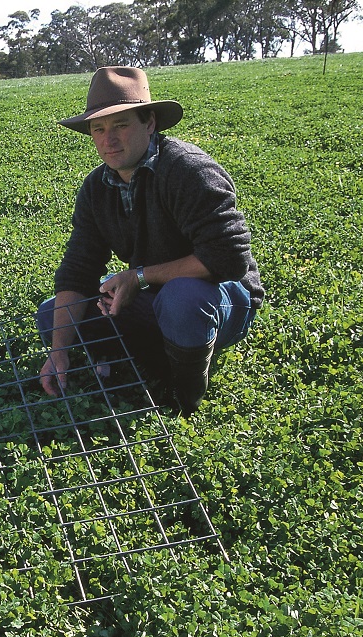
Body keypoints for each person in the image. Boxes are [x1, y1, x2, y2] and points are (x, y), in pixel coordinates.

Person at [37, 65, 264, 416]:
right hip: (153, 295)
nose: (108, 139)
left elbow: (228, 258)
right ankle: (157, 351)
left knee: (182, 298)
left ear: (150, 123)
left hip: (222, 297)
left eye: (121, 125)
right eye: (98, 128)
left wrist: (139, 276)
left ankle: (184, 390)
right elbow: (78, 271)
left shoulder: (188, 171)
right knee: (54, 315)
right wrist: (59, 351)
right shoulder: (97, 188)